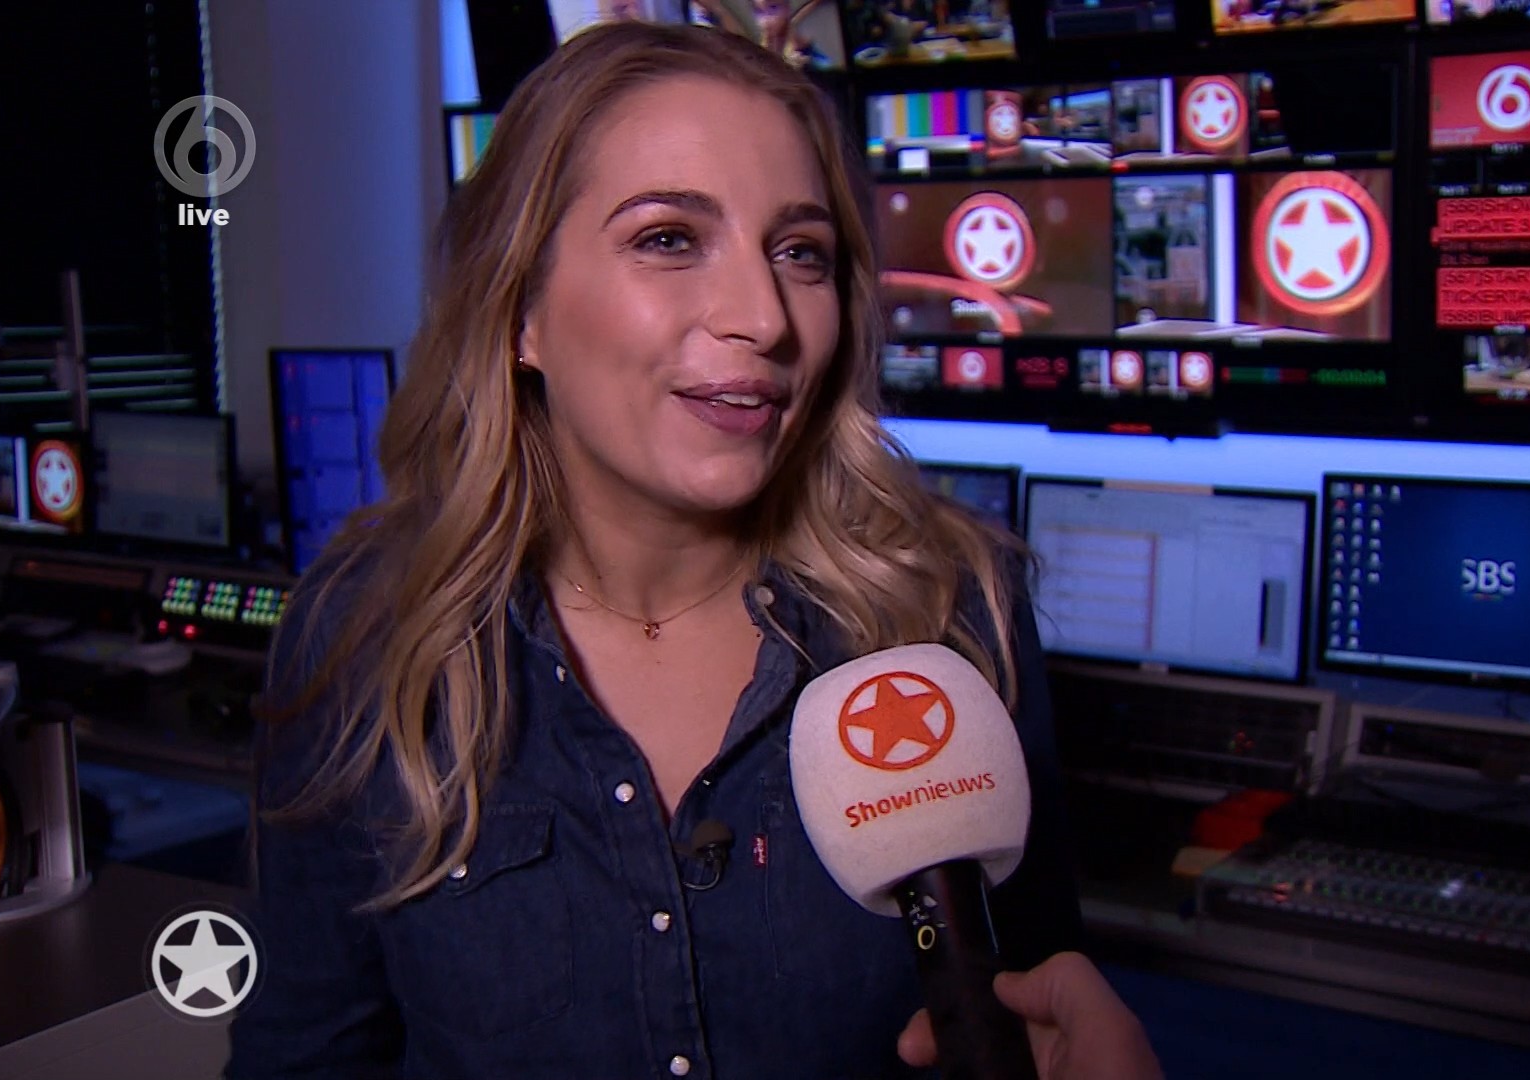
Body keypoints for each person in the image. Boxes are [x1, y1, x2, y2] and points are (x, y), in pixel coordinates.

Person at [225, 21, 1158, 1080]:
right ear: (521, 308)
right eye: (669, 238)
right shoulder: (364, 633)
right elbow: (302, 1057)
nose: (764, 317)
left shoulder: (948, 611)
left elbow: (1033, 998)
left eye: (800, 253)